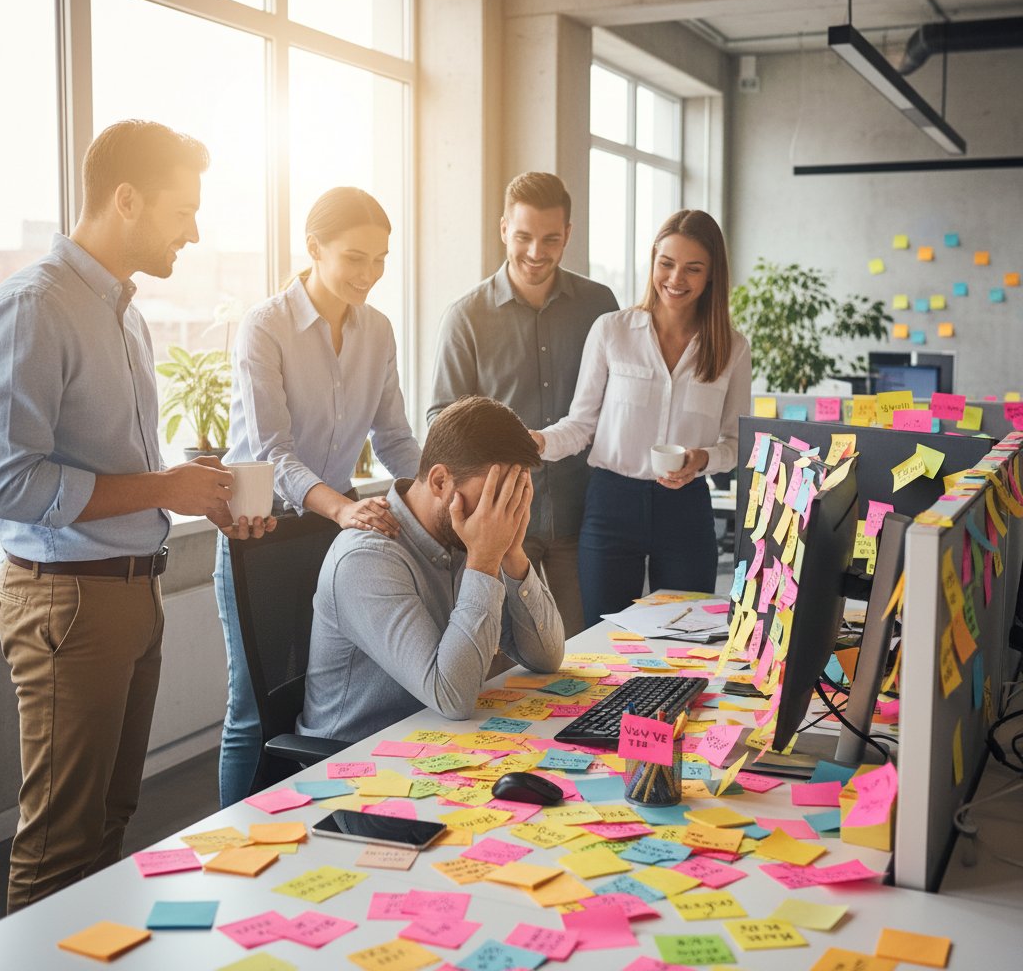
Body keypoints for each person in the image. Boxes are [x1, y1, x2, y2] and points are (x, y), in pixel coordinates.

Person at [0, 120, 274, 912]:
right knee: (58, 844)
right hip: (68, 602)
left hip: (128, 593)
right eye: (180, 210)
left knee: (110, 829)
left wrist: (198, 490)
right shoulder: (36, 306)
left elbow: (120, 467)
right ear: (125, 200)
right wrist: (162, 488)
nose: (193, 230)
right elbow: (12, 480)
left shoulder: (125, 313)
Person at [215, 186, 421, 806]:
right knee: (254, 708)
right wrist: (342, 507)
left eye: (381, 259)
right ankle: (230, 848)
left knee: (325, 702)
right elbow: (273, 452)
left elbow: (394, 438)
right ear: (314, 249)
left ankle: (309, 835)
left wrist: (443, 491)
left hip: (335, 532)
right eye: (355, 257)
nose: (370, 274)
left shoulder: (377, 330)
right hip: (263, 530)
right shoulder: (266, 327)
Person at [298, 395, 564, 743]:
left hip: (440, 743)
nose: (500, 513)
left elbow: (546, 658)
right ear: (440, 482)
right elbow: (453, 697)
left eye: (513, 497)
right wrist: (483, 561)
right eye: (493, 496)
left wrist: (512, 552)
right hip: (359, 762)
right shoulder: (367, 558)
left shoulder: (468, 533)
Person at [532, 209, 752, 628]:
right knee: (605, 637)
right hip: (611, 505)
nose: (675, 279)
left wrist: (702, 459)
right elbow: (580, 425)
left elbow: (737, 444)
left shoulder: (732, 349)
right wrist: (538, 442)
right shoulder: (611, 331)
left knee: (687, 638)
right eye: (666, 264)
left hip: (686, 508)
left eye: (693, 269)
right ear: (653, 261)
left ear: (711, 276)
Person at [429, 172, 617, 638]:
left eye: (551, 239)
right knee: (500, 655)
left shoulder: (600, 305)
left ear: (568, 234)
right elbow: (439, 423)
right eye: (523, 237)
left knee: (580, 649)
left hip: (584, 512)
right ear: (503, 230)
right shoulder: (465, 317)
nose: (536, 252)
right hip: (501, 520)